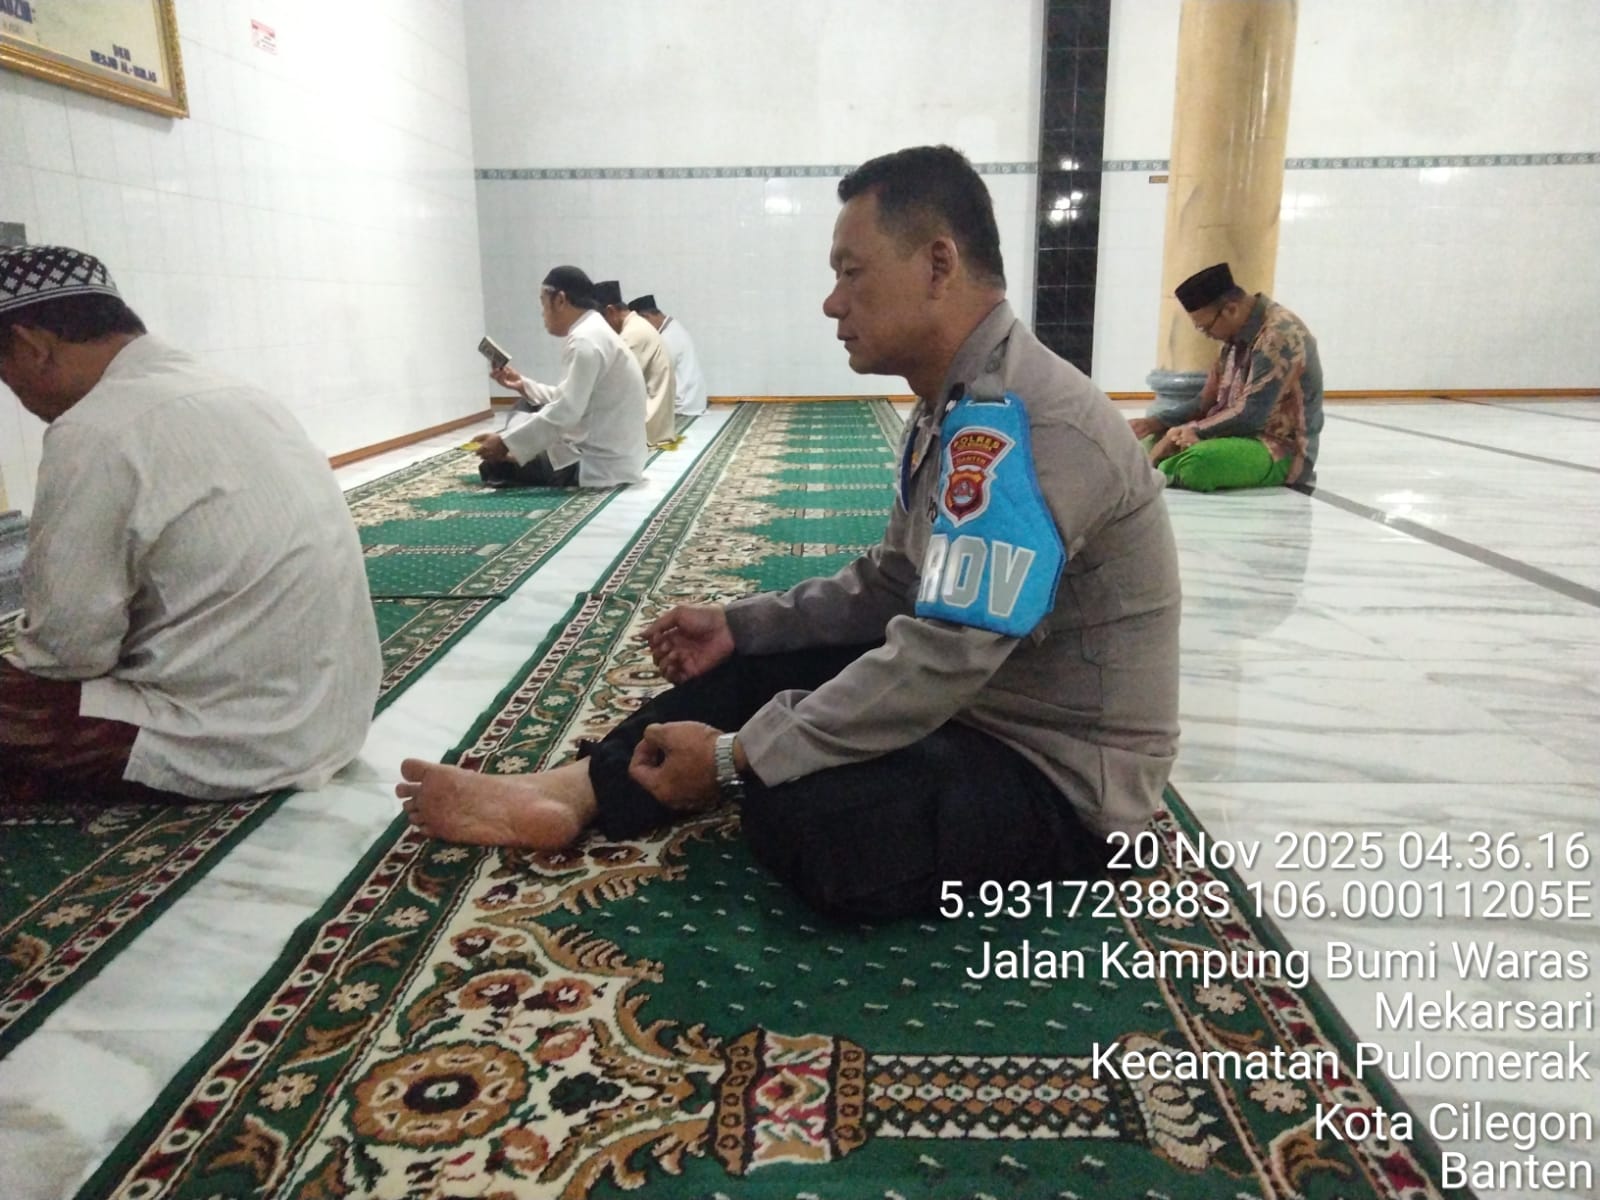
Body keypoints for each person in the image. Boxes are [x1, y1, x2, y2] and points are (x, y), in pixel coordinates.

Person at [398, 146, 1180, 921]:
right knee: (757, 660)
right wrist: (741, 625)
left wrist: (736, 758)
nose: (832, 304)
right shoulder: (956, 402)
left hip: (1060, 771)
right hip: (977, 702)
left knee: (803, 816)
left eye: (851, 272)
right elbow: (894, 584)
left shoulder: (1031, 420)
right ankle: (577, 790)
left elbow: (946, 653)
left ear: (938, 264)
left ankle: (677, 778)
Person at [0, 245, 381, 806]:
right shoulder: (234, 390)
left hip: (234, 741)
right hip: (334, 717)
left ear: (32, 347)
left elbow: (66, 654)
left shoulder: (93, 429)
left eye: (5, 375)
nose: (18, 396)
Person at [1132, 262, 1324, 491]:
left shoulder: (1278, 335)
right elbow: (1204, 402)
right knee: (1146, 440)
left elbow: (1251, 415)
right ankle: (1156, 466)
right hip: (1232, 436)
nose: (1207, 335)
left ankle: (1152, 471)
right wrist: (1155, 423)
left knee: (1197, 463)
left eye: (1206, 328)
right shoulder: (1234, 338)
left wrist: (1192, 431)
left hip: (1276, 448)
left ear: (1231, 310)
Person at [474, 267, 647, 488]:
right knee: (526, 404)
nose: (542, 313)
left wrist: (505, 443)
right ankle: (523, 452)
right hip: (619, 458)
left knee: (493, 467)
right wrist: (523, 385)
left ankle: (520, 455)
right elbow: (569, 398)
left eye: (543, 303)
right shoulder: (594, 330)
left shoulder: (585, 340)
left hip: (596, 464)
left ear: (560, 300)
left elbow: (566, 411)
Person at [596, 280, 678, 446]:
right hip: (655, 416)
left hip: (648, 424)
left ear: (611, 311)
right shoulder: (636, 326)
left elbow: (611, 385)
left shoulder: (633, 333)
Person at [629, 294, 707, 417]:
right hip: (691, 399)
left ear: (646, 317)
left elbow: (657, 375)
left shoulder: (668, 337)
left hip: (682, 405)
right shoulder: (672, 326)